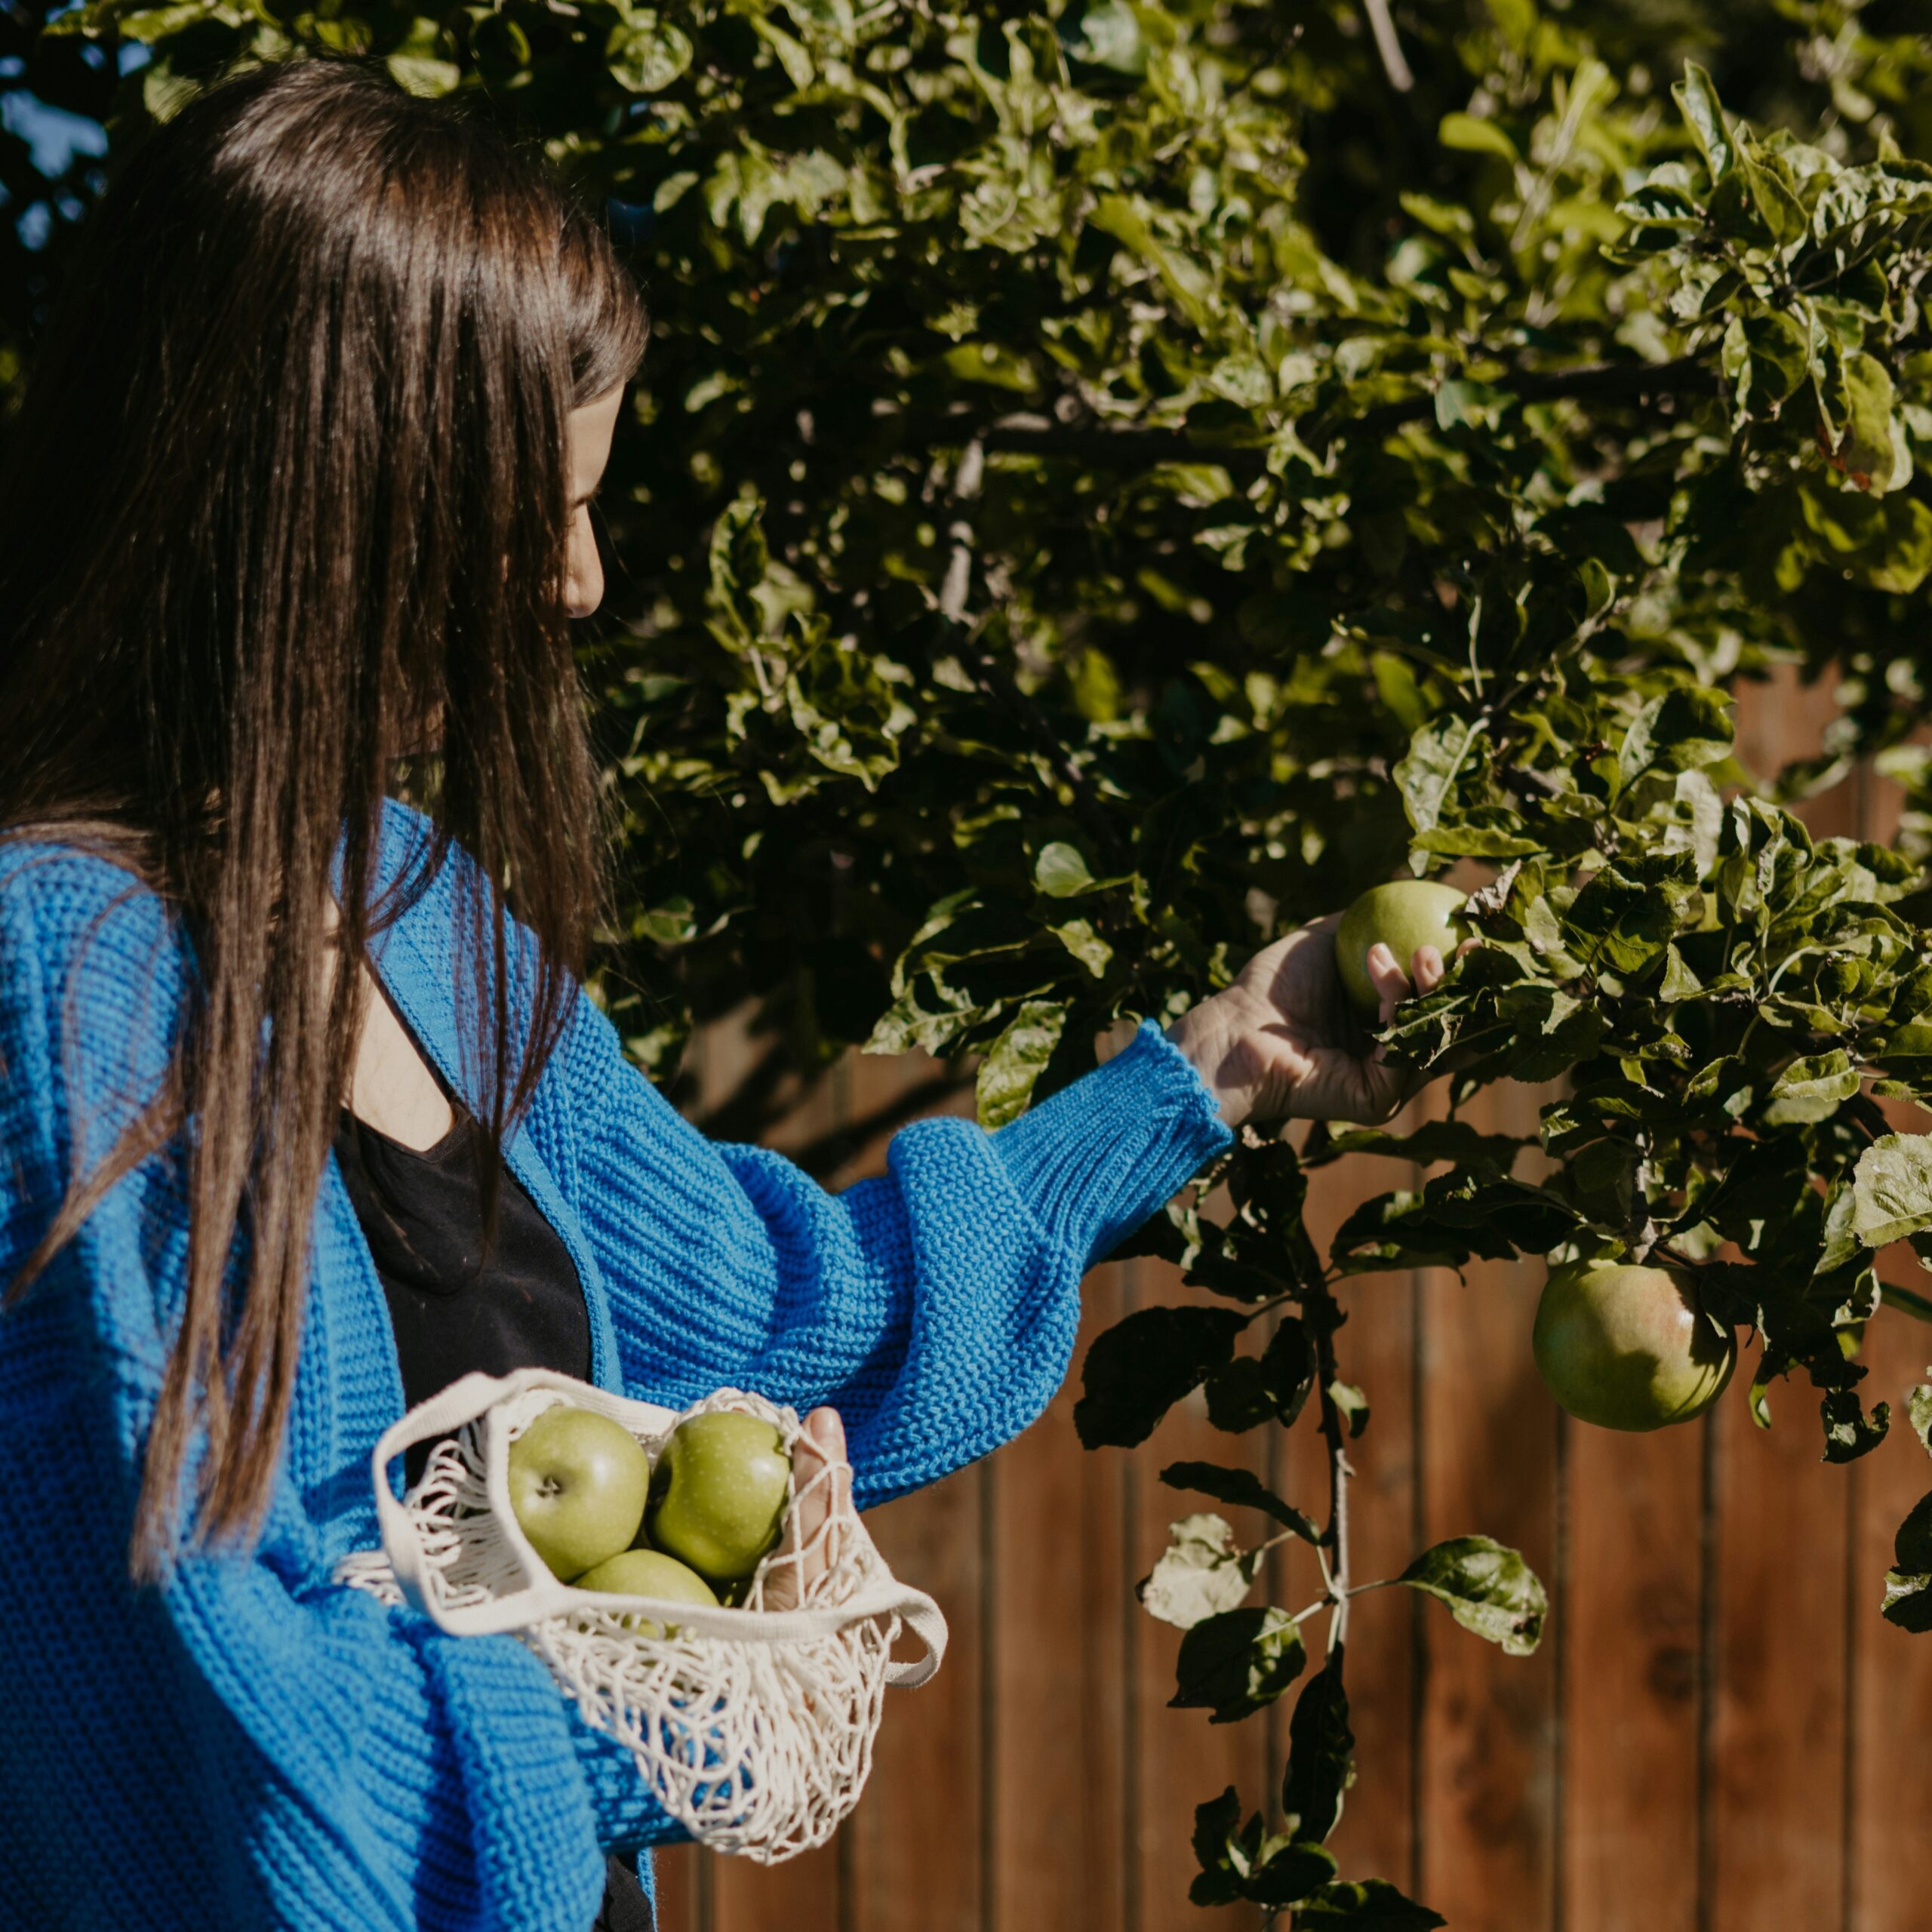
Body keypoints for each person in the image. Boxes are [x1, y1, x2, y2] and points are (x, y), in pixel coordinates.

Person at [0, 55, 1450, 1932]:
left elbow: (778, 1324)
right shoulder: (67, 982)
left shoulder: (425, 915)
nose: (583, 583)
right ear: (335, 507)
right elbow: (217, 1681)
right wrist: (637, 1710)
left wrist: (1205, 1068)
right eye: (535, 511)